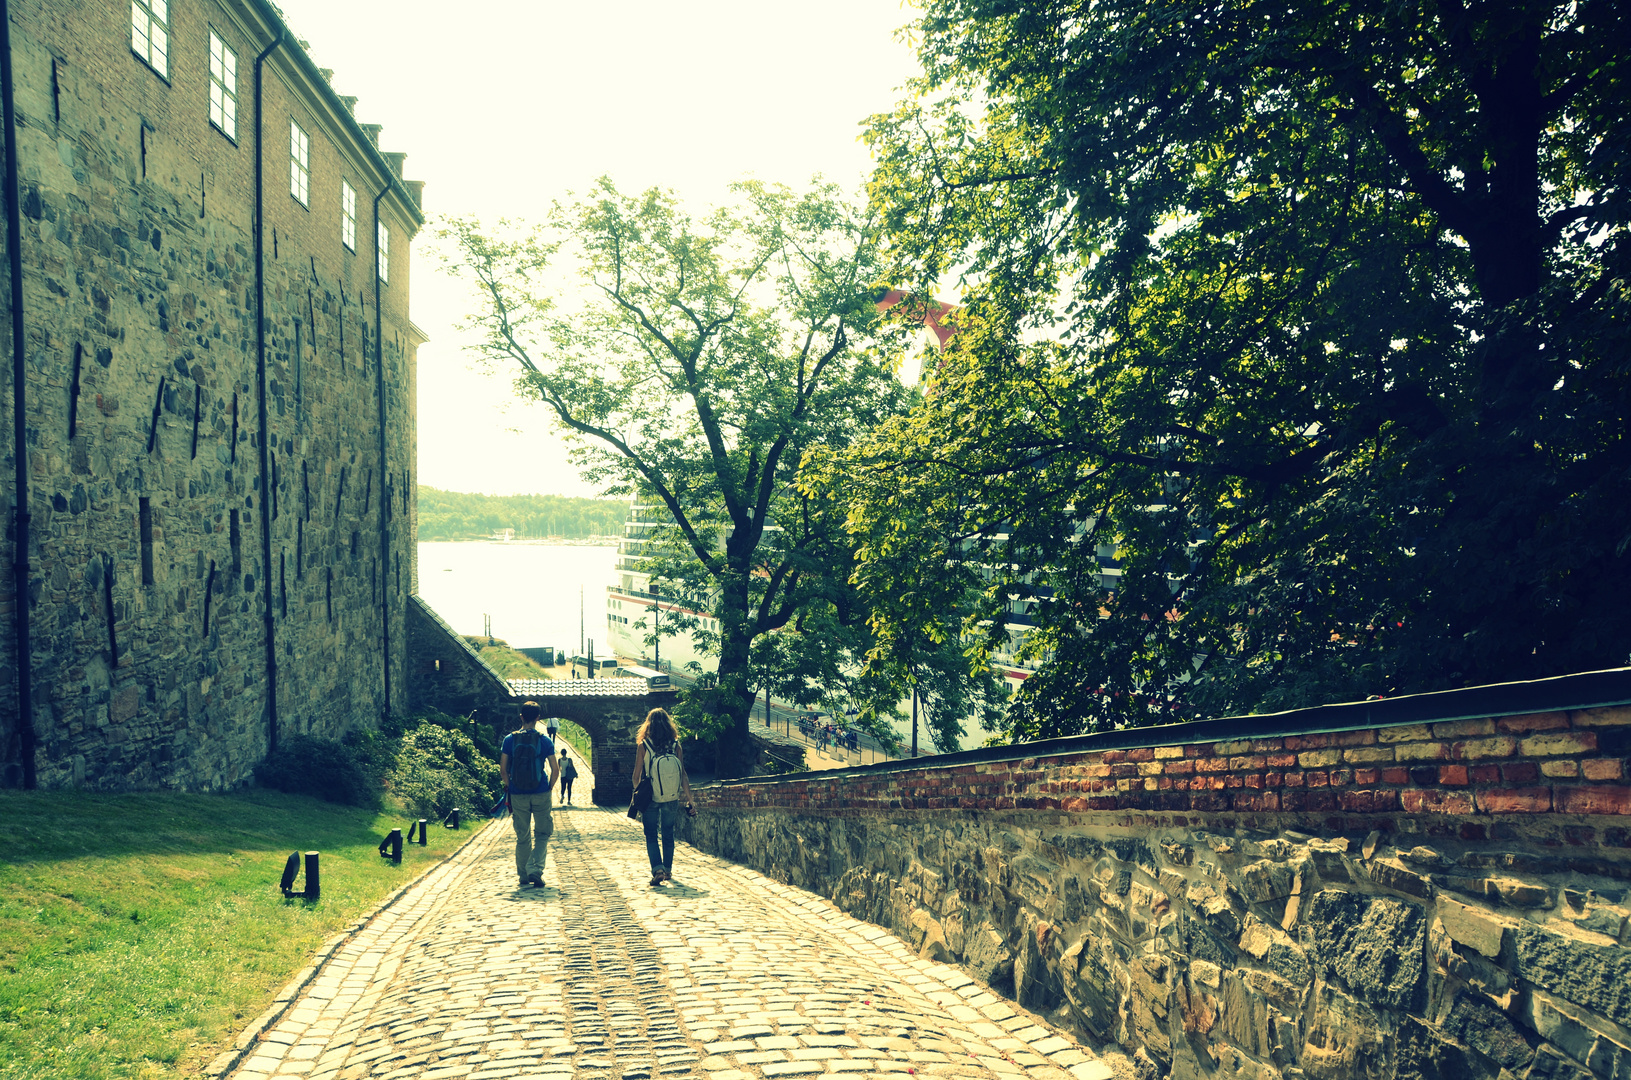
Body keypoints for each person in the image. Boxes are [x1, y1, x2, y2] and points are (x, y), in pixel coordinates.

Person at [500, 701, 561, 888]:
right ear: (538, 718)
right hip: (540, 791)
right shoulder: (545, 740)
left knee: (522, 836)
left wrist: (511, 786)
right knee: (543, 833)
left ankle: (524, 876)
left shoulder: (509, 740)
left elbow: (503, 769)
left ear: (521, 717)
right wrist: (549, 787)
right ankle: (535, 869)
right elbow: (555, 769)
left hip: (517, 793)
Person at [630, 707, 693, 887]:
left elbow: (636, 776)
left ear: (648, 725)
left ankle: (657, 869)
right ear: (668, 724)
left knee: (651, 833)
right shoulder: (676, 745)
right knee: (668, 833)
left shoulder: (644, 746)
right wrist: (690, 800)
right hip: (671, 796)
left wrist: (639, 793)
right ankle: (667, 869)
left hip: (651, 797)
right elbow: (683, 775)